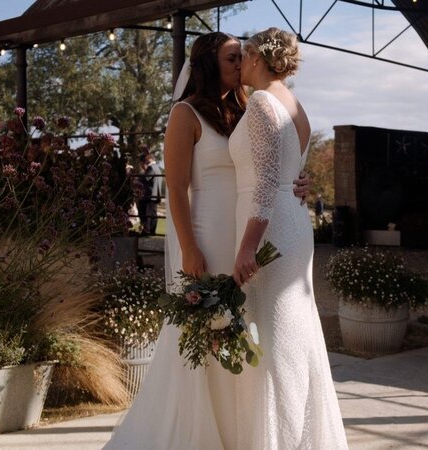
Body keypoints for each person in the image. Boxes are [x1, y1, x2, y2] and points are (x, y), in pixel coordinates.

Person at [104, 31, 310, 450]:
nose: (241, 63)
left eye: (242, 56)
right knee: (209, 326)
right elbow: (176, 189)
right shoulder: (186, 113)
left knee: (242, 329)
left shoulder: (250, 107)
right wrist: (188, 246)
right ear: (208, 63)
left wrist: (297, 181)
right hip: (206, 234)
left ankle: (240, 433)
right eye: (232, 57)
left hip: (244, 231)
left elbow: (270, 165)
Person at [229, 27, 347, 448]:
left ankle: (279, 439)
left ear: (257, 58)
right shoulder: (294, 104)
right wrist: (298, 184)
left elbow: (265, 182)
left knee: (274, 338)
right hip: (293, 223)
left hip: (270, 228)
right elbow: (289, 170)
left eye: (243, 55)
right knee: (292, 335)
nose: (240, 64)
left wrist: (247, 246)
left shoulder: (262, 103)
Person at [138, 152, 162, 235]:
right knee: (153, 214)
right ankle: (152, 230)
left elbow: (146, 178)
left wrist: (141, 173)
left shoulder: (151, 168)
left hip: (149, 195)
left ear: (149, 159)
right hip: (156, 194)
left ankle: (147, 230)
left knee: (148, 214)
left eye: (146, 160)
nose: (145, 161)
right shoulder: (158, 168)